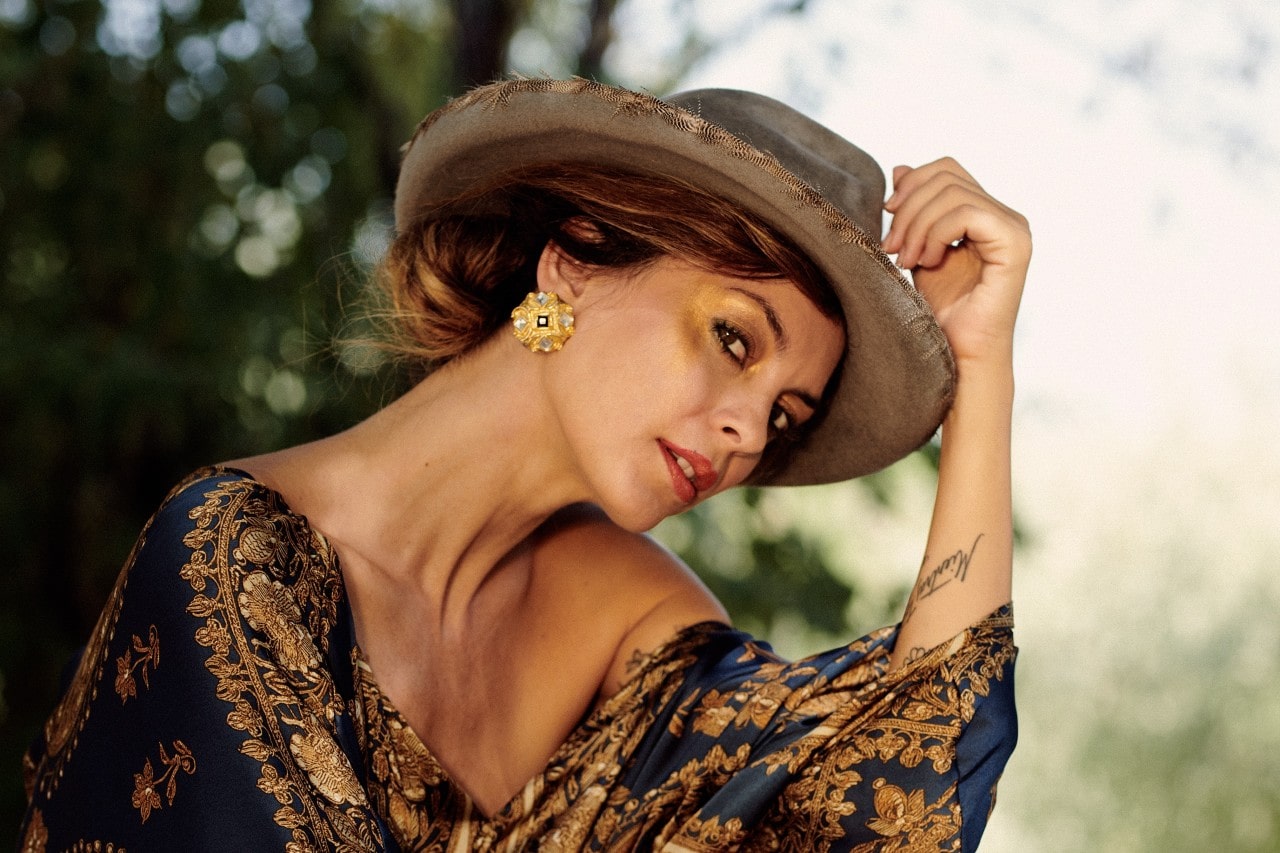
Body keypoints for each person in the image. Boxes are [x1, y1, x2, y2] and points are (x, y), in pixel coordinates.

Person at [19, 78, 1029, 851]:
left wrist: (980, 373)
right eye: (732, 340)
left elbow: (896, 793)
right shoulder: (231, 552)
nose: (748, 434)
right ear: (572, 259)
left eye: (784, 411)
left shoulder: (623, 614)